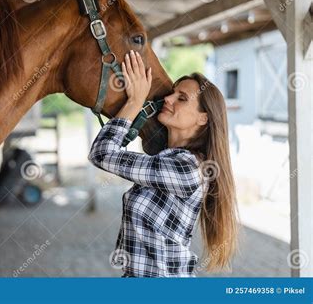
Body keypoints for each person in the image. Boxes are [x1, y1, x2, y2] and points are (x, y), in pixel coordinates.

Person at [88, 50, 239, 277]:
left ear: (203, 118)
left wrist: (135, 101)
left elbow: (102, 153)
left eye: (182, 98)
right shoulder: (168, 160)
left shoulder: (188, 169)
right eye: (172, 94)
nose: (167, 99)